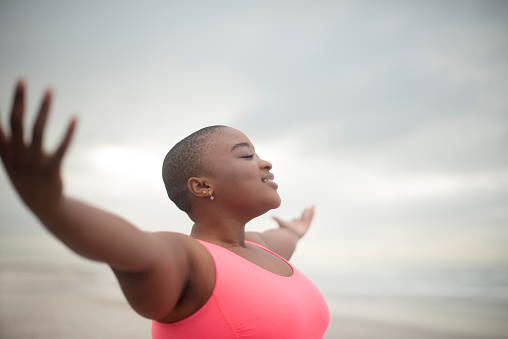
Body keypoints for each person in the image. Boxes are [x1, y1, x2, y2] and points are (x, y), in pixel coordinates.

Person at [0, 80, 329, 338]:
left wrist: (294, 230)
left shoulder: (265, 247)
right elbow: (125, 244)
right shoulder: (190, 261)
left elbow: (286, 236)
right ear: (202, 186)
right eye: (247, 156)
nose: (266, 162)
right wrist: (53, 207)